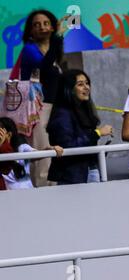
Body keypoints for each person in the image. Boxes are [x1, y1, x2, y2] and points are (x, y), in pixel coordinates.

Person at [20, 10, 67, 187]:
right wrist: (58, 37)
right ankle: (40, 198)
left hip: (54, 110)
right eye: (37, 24)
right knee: (42, 157)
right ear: (30, 30)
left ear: (53, 26)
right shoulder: (30, 50)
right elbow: (44, 69)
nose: (42, 27)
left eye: (46, 23)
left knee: (55, 154)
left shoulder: (53, 52)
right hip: (37, 110)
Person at [46, 70, 113, 185]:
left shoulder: (83, 110)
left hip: (90, 170)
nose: (86, 87)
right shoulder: (62, 114)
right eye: (80, 84)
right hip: (72, 176)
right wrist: (97, 133)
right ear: (68, 89)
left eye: (87, 83)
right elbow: (67, 146)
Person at [0, 117, 63, 190]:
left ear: (9, 135)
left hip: (28, 192)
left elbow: (37, 154)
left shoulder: (21, 148)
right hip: (8, 195)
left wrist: (51, 149)